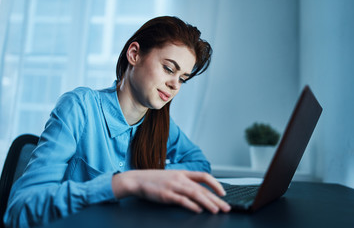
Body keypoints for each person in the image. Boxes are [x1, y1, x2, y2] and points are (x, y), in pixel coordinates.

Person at [4, 16, 231, 227]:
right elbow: (19, 210)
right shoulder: (80, 107)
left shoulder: (160, 125)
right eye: (168, 68)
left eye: (182, 79)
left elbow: (199, 164)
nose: (175, 85)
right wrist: (126, 183)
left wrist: (154, 178)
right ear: (134, 54)